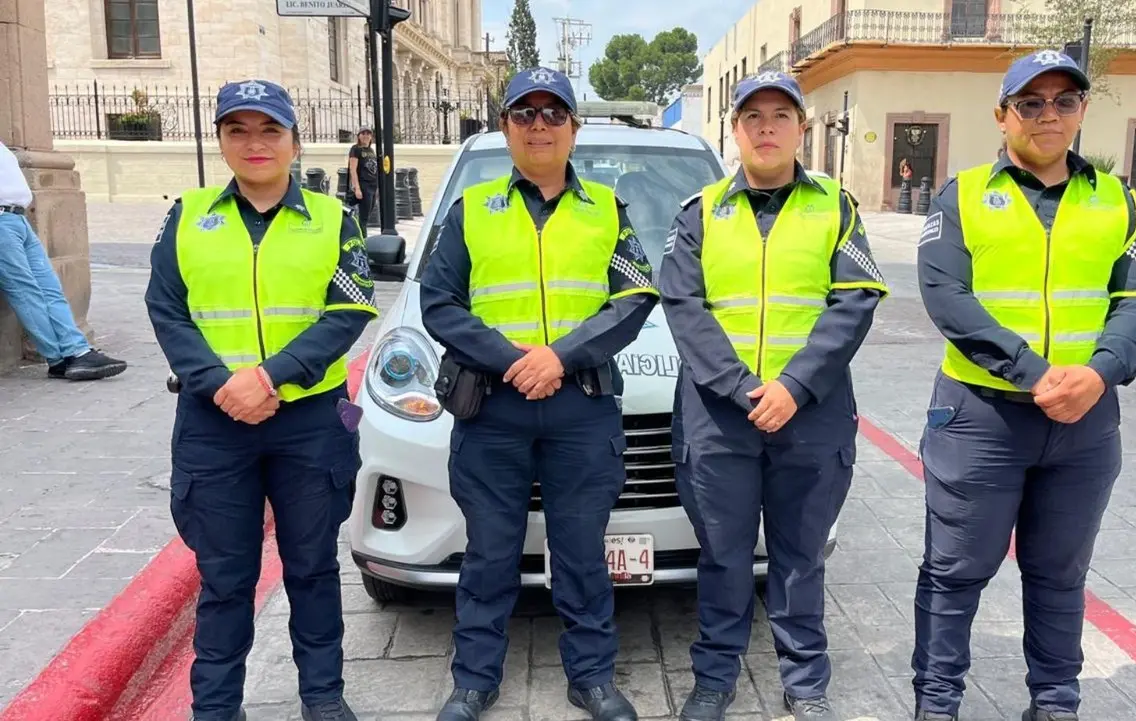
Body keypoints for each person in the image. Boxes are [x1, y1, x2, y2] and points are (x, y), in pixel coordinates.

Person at [911, 50, 1136, 721]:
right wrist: (1035, 373)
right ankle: (936, 705)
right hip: (980, 420)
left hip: (1085, 423)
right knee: (955, 573)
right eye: (1030, 102)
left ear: (1083, 111)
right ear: (1002, 116)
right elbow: (947, 296)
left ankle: (1055, 704)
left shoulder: (1114, 199)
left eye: (1064, 100)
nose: (1048, 114)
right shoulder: (962, 195)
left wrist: (1099, 371)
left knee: (1060, 574)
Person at [420, 66, 659, 721]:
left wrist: (560, 356)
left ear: (574, 128)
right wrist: (513, 360)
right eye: (525, 112)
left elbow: (636, 297)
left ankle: (591, 677)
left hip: (580, 406)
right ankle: (473, 681)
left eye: (554, 113)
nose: (539, 125)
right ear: (505, 128)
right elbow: (438, 302)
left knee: (582, 552)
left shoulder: (608, 209)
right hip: (492, 408)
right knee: (490, 553)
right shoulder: (473, 212)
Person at [145, 79, 378, 721]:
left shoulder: (334, 219)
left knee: (310, 568)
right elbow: (166, 308)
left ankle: (323, 699)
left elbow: (350, 308)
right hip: (213, 419)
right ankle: (216, 708)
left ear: (294, 142)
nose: (254, 143)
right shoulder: (189, 215)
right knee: (225, 577)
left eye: (269, 130)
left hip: (309, 422)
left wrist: (270, 377)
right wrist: (223, 384)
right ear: (219, 142)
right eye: (238, 130)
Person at [658, 71, 888, 721]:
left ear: (800, 128)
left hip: (810, 415)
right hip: (721, 418)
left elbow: (855, 300)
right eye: (752, 116)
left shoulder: (833, 207)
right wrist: (740, 386)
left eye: (779, 116)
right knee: (725, 558)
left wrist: (792, 386)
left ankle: (806, 683)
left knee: (798, 558)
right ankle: (714, 678)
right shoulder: (699, 212)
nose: (765, 127)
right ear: (733, 129)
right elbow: (684, 305)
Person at [0, 139, 127, 380]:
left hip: (18, 219)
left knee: (50, 288)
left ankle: (72, 352)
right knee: (26, 292)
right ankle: (63, 357)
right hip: (2, 221)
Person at [346, 127, 378, 235]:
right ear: (359, 136)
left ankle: (358, 234)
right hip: (364, 185)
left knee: (368, 214)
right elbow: (353, 169)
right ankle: (363, 239)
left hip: (373, 186)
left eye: (368, 134)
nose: (366, 136)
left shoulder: (371, 151)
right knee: (363, 217)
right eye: (363, 133)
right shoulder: (355, 149)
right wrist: (357, 188)